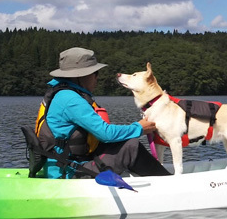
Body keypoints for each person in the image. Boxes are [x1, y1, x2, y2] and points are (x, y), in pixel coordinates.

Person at [36, 47, 170, 179]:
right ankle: (168, 183)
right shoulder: (71, 100)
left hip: (64, 165)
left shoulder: (61, 93)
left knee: (121, 143)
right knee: (130, 146)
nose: (97, 78)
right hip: (68, 171)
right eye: (95, 73)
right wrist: (140, 128)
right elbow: (106, 134)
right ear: (82, 76)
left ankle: (155, 179)